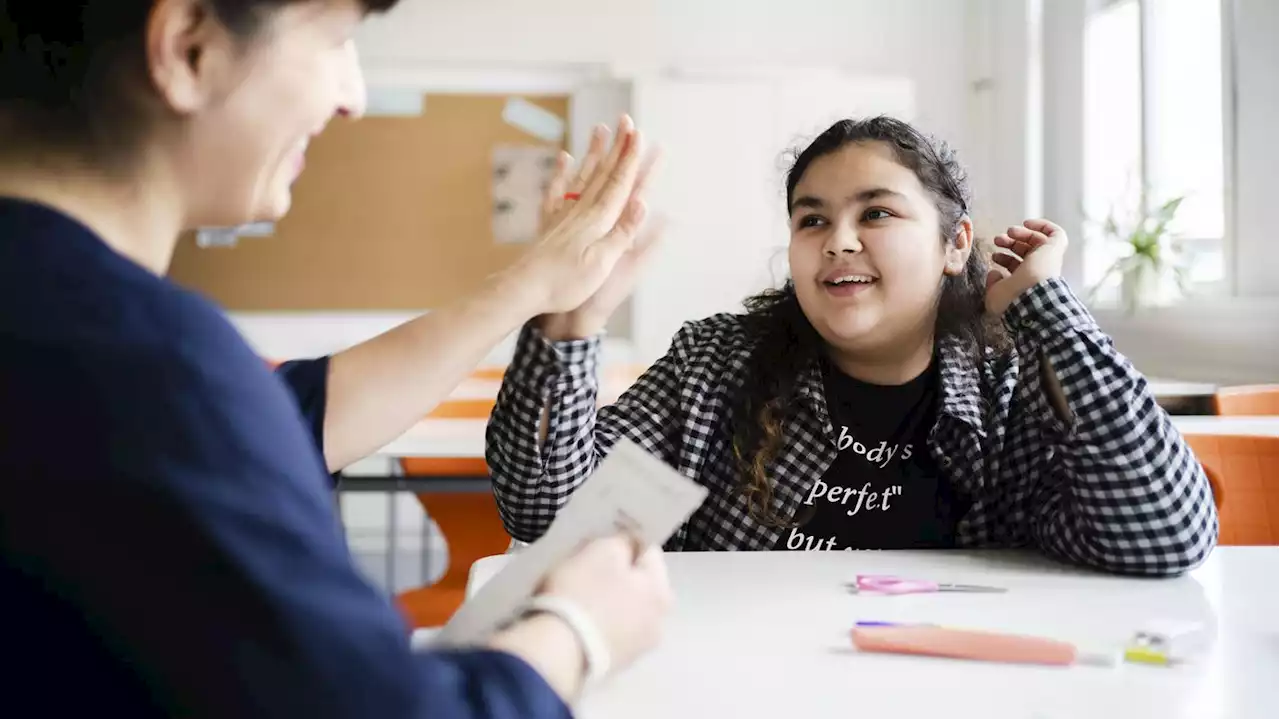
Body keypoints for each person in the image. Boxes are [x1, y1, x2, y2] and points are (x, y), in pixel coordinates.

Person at [0, 1, 673, 717]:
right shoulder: (146, 367)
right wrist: (577, 629)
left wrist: (532, 285)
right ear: (189, 48)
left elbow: (295, 416)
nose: (352, 96)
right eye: (337, 40)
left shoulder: (55, 320)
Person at [486, 116, 1219, 577]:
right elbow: (545, 515)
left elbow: (1164, 536)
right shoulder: (716, 365)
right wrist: (570, 323)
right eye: (811, 220)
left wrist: (1044, 308)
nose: (838, 240)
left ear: (954, 243)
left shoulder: (1013, 379)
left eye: (876, 212)